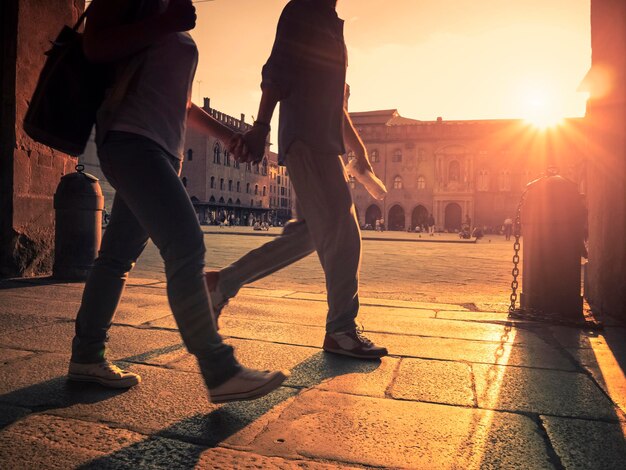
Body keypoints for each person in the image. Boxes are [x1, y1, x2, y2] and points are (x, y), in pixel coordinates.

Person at [68, 0, 286, 403]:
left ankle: (86, 355)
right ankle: (219, 369)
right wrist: (166, 22)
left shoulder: (172, 13)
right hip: (132, 141)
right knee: (186, 246)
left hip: (163, 150)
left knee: (116, 259)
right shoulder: (153, 9)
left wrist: (224, 135)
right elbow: (95, 46)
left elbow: (181, 104)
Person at [207, 0, 387, 359]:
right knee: (343, 233)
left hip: (323, 141)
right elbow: (276, 73)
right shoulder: (302, 11)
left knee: (308, 235)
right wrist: (260, 128)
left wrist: (359, 152)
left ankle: (220, 283)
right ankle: (341, 330)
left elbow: (336, 105)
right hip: (308, 140)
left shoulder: (330, 23)